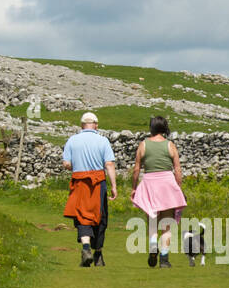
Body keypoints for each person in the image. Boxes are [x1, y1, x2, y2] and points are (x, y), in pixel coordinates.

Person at [61, 112, 118, 267]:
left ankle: (86, 248)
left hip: (79, 182)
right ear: (96, 124)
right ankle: (98, 254)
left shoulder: (72, 140)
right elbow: (109, 164)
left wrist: (77, 165)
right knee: (100, 217)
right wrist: (114, 186)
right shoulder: (103, 141)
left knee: (81, 215)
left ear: (81, 125)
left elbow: (66, 164)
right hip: (98, 183)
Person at [130, 115, 187, 268]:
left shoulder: (143, 145)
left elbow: (136, 169)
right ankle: (164, 258)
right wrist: (178, 188)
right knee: (167, 223)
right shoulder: (170, 145)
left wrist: (134, 187)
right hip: (167, 184)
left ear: (152, 127)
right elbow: (177, 169)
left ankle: (153, 245)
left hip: (149, 183)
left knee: (152, 221)